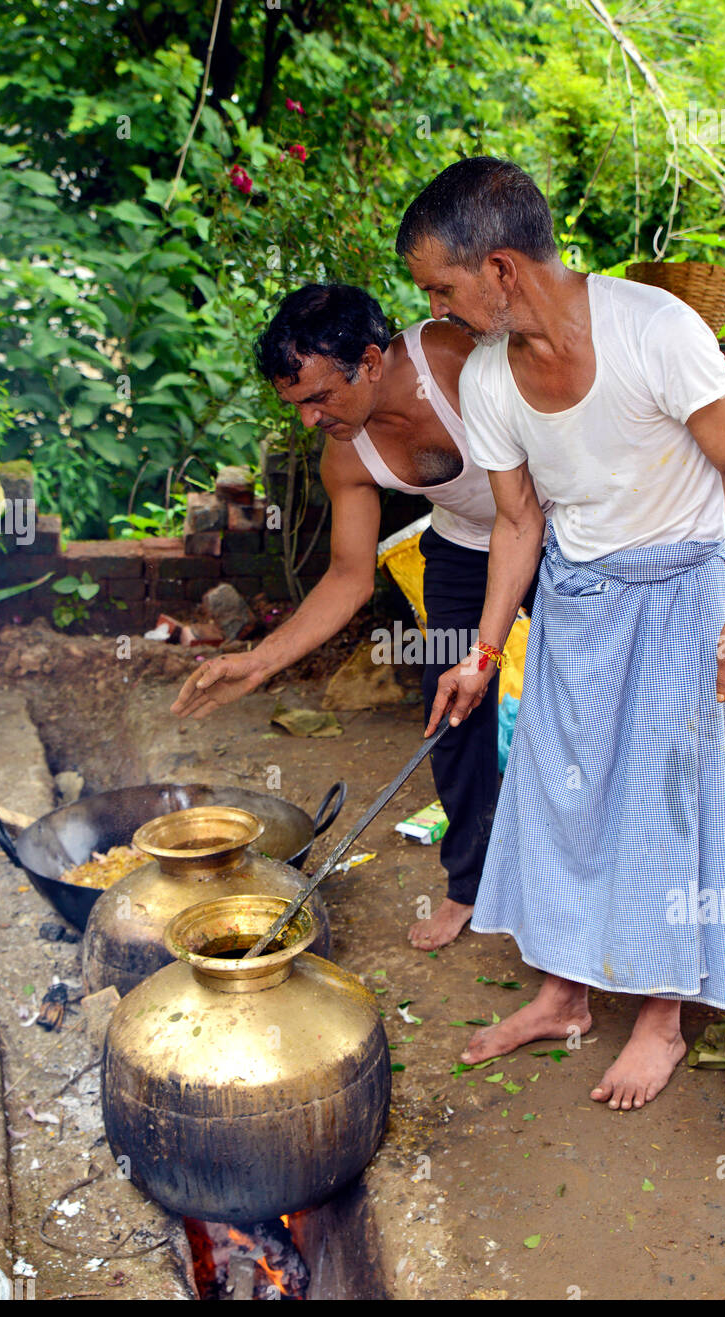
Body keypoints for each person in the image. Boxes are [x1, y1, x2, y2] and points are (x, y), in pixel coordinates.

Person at [397, 157, 725, 1110]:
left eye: (442, 287)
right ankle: (564, 995)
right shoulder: (487, 379)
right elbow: (519, 524)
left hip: (685, 583)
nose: (435, 311)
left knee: (660, 800)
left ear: (504, 270)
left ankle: (659, 1019)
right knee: (558, 795)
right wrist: (480, 654)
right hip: (578, 592)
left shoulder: (657, 331)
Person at [171, 282, 540, 950]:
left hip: (560, 532)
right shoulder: (346, 453)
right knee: (450, 714)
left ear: (371, 362)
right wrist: (257, 664)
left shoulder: (456, 358)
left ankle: (567, 886)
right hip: (463, 549)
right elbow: (348, 577)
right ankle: (469, 887)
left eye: (318, 397)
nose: (310, 420)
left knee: (576, 708)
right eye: (297, 405)